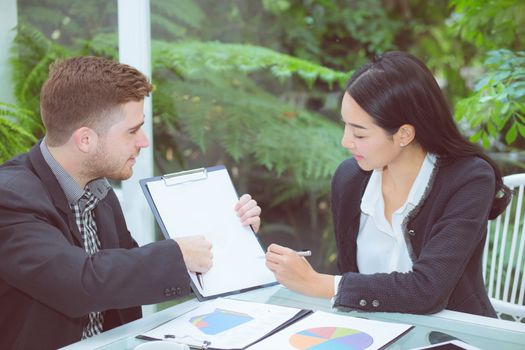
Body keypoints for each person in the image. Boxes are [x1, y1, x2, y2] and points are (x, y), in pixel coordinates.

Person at [0, 56, 262, 350]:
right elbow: (76, 281)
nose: (144, 141)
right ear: (85, 140)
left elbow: (127, 274)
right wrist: (177, 254)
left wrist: (230, 233)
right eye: (132, 131)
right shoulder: (9, 197)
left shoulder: (98, 189)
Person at [265, 51, 510, 317]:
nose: (346, 141)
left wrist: (315, 282)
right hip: (372, 332)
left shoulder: (468, 179)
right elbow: (349, 274)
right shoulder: (350, 179)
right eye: (345, 126)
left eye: (359, 132)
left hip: (451, 336)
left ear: (404, 134)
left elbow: (428, 291)